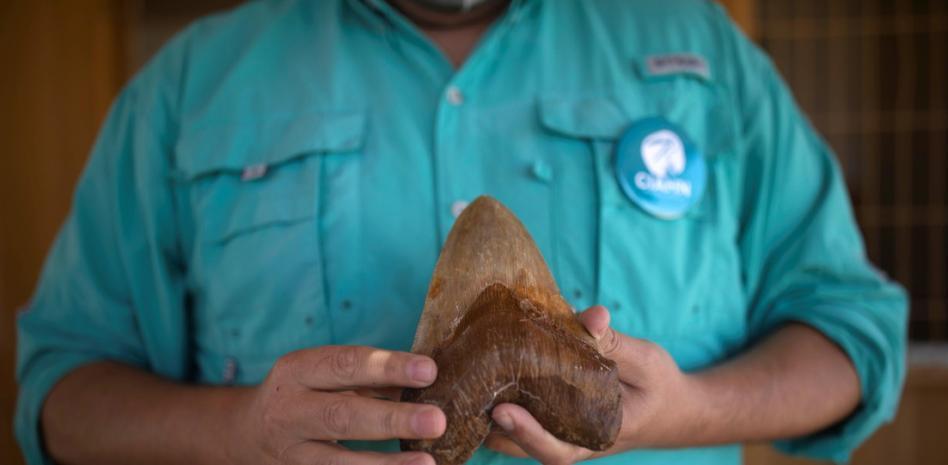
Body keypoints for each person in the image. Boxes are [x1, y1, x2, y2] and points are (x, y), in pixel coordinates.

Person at [16, 1, 908, 464]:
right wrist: (236, 431)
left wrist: (696, 411)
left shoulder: (703, 53)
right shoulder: (193, 83)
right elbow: (61, 394)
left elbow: (853, 335)